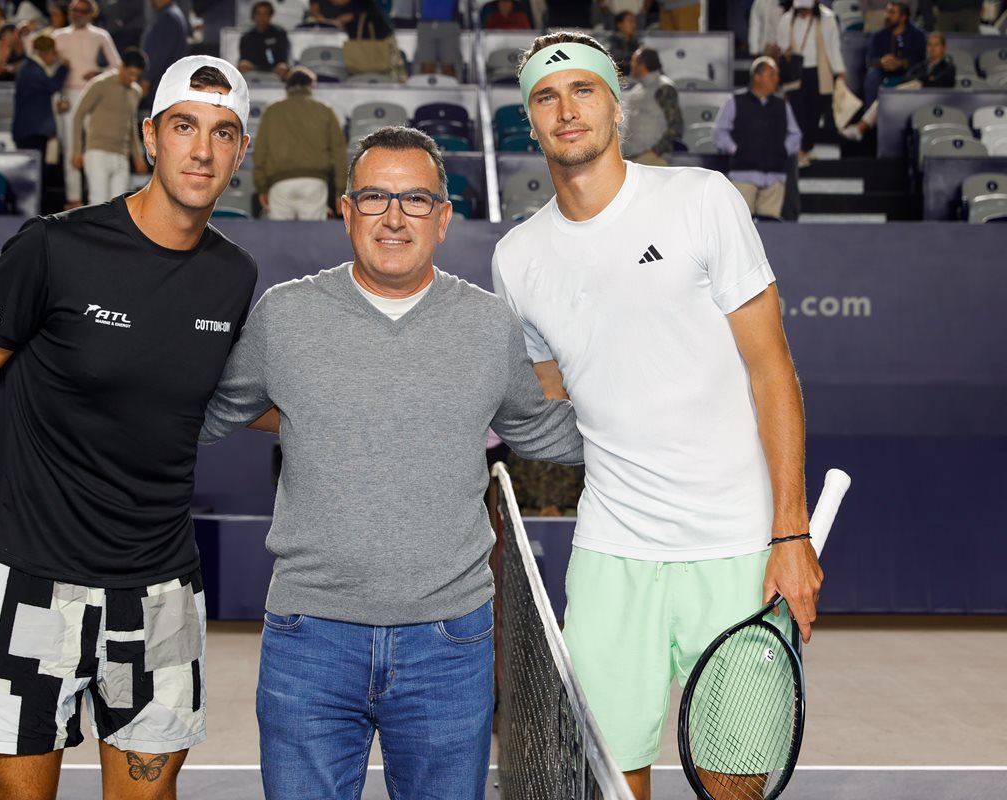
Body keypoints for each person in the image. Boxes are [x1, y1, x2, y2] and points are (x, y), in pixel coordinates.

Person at [0, 55, 257, 800]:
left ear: (241, 151)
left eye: (223, 133)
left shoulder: (235, 276)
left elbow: (241, 396)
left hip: (164, 595)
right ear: (149, 136)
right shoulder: (52, 247)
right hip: (35, 587)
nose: (203, 149)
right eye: (184, 127)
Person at [199, 123, 583, 800]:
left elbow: (538, 428)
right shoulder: (285, 316)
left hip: (450, 645)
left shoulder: (489, 324)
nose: (395, 218)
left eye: (415, 200)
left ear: (443, 217)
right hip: (310, 639)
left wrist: (668, 431)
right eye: (375, 197)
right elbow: (206, 413)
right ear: (346, 211)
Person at [493, 31, 820, 800]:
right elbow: (550, 396)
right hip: (612, 553)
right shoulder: (517, 258)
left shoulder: (701, 199)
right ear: (531, 120)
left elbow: (773, 369)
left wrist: (790, 533)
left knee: (733, 785)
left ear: (616, 106)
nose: (566, 110)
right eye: (546, 96)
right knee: (609, 783)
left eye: (583, 90)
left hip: (736, 549)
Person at [52, 0, 122, 207]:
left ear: (92, 13)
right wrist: (57, 98)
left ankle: (96, 200)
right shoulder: (58, 36)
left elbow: (117, 66)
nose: (78, 14)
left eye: (83, 11)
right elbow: (49, 69)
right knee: (70, 146)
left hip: (94, 95)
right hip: (68, 94)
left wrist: (98, 73)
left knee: (94, 148)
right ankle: (73, 199)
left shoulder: (100, 35)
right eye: (74, 10)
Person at [713, 57, 802, 219]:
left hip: (774, 176)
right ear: (757, 76)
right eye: (771, 74)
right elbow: (720, 131)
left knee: (770, 226)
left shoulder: (782, 105)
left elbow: (795, 134)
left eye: (776, 75)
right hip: (743, 175)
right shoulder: (735, 102)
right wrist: (735, 149)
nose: (776, 79)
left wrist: (783, 150)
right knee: (741, 222)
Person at [254, 66, 346, 220]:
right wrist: (340, 191)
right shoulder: (325, 110)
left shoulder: (271, 111)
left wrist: (261, 187)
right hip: (314, 183)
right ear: (311, 85)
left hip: (280, 184)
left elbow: (260, 152)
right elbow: (339, 152)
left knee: (280, 234)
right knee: (313, 234)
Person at [841, 30, 955, 140]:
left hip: (933, 101)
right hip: (912, 99)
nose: (932, 48)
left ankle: (861, 127)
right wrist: (927, 78)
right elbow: (907, 77)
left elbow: (942, 83)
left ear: (944, 48)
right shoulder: (922, 66)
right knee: (887, 98)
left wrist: (922, 81)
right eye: (930, 45)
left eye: (936, 45)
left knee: (907, 88)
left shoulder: (948, 67)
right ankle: (863, 129)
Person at [70, 47, 148, 205]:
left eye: (137, 75)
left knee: (119, 206)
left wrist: (138, 156)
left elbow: (131, 126)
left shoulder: (135, 92)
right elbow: (78, 114)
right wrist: (77, 149)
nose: (133, 78)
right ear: (122, 66)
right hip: (97, 152)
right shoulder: (101, 84)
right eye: (130, 73)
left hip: (121, 156)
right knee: (98, 202)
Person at [776, 0, 845, 167]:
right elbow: (781, 44)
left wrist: (839, 70)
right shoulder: (787, 20)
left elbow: (833, 46)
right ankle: (799, 150)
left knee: (815, 112)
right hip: (795, 73)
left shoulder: (827, 18)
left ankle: (806, 148)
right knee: (797, 111)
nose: (804, 12)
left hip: (819, 72)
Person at [621, 46, 682, 166]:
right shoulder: (636, 90)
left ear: (642, 65)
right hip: (631, 158)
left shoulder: (664, 88)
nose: (631, 65)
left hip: (653, 160)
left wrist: (656, 151)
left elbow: (676, 125)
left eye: (634, 62)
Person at [12, 34, 69, 153]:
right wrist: (63, 68)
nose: (56, 57)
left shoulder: (30, 68)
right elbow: (52, 85)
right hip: (31, 131)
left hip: (31, 131)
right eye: (54, 53)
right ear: (44, 53)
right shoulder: (32, 70)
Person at [863, 2, 926, 104]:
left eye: (892, 13)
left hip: (908, 72)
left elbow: (921, 60)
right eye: (887, 12)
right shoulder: (878, 35)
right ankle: (871, 111)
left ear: (903, 17)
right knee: (872, 75)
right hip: (883, 71)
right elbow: (870, 60)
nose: (887, 16)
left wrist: (901, 63)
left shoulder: (917, 35)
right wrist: (882, 61)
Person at [140, 0, 189, 106]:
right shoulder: (172, 14)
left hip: (162, 83)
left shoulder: (168, 17)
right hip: (168, 82)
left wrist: (147, 78)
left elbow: (160, 54)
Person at [238, 1, 291, 78]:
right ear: (254, 15)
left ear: (270, 15)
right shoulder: (246, 36)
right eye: (259, 13)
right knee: (243, 65)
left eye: (266, 13)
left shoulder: (279, 33)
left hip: (275, 68)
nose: (262, 17)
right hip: (254, 67)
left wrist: (282, 64)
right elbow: (243, 58)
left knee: (283, 67)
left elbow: (284, 57)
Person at [415, 0, 462, 78]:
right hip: (425, 23)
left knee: (449, 67)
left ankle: (451, 86)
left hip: (449, 23)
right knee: (426, 68)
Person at [604, 10, 639, 76]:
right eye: (630, 21)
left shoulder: (635, 43)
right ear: (619, 25)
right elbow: (613, 56)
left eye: (634, 21)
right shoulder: (612, 40)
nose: (634, 25)